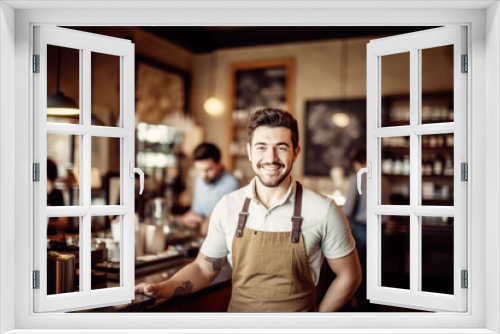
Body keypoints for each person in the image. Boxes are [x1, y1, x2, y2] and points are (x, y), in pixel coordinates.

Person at [136, 108, 361, 312]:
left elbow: (350, 276)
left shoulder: (323, 209)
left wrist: (318, 322)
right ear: (250, 152)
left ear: (295, 152)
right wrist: (161, 288)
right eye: (261, 147)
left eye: (281, 148)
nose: (270, 158)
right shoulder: (228, 206)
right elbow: (204, 269)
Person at [180, 142, 239, 237]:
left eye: (208, 170)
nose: (203, 175)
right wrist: (184, 219)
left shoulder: (231, 183)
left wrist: (209, 221)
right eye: (199, 170)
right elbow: (196, 211)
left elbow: (224, 218)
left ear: (219, 163)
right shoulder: (200, 180)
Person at [47, 158, 68, 234]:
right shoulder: (37, 194)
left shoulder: (57, 194)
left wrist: (46, 222)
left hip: (52, 235)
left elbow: (63, 222)